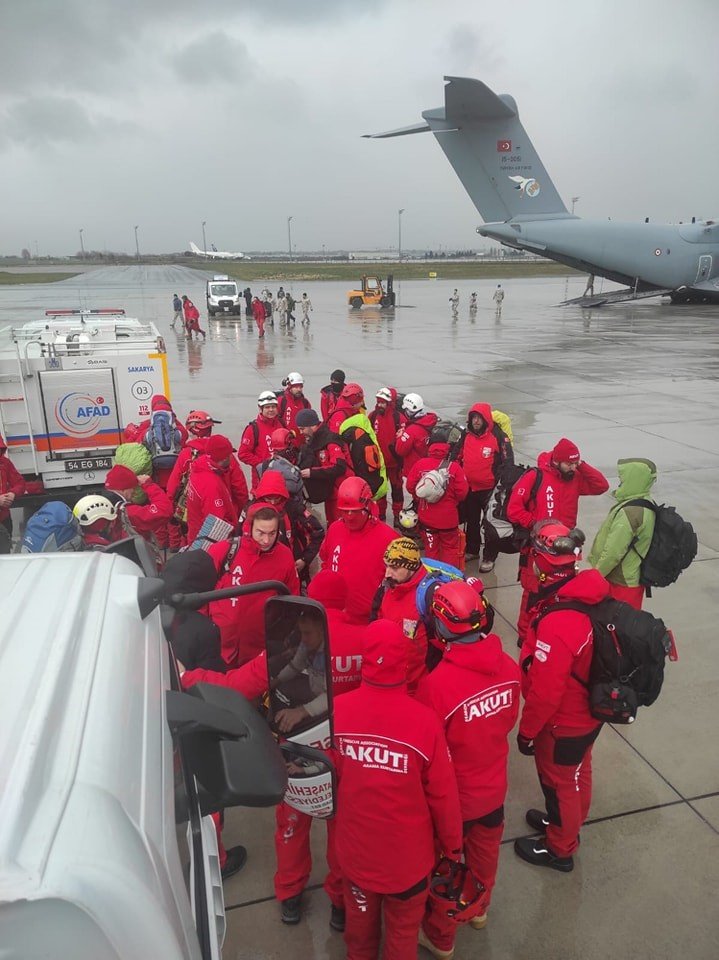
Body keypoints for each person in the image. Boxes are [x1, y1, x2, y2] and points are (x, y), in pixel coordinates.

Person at [332, 619, 463, 960]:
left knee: (359, 938)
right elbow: (444, 798)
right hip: (409, 864)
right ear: (405, 662)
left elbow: (324, 781)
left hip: (358, 856)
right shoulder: (425, 724)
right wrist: (452, 848)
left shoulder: (337, 715)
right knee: (403, 938)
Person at [417, 580, 520, 952]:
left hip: (454, 801)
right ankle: (479, 910)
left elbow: (430, 752)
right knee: (485, 856)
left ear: (441, 625)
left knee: (446, 869)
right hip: (493, 790)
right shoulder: (508, 667)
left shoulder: (438, 685)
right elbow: (508, 721)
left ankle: (441, 938)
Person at [515, 521, 608, 872]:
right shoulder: (587, 593)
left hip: (563, 721)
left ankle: (560, 848)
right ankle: (567, 826)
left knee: (559, 785)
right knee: (578, 772)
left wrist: (527, 732)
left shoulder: (560, 622)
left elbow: (545, 692)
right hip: (588, 712)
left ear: (540, 561)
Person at [273, 574, 361, 929]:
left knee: (293, 822)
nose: (304, 637)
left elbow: (331, 696)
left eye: (308, 633)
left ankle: (296, 892)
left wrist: (299, 711)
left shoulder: (328, 635)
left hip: (316, 739)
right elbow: (296, 664)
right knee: (342, 828)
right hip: (340, 746)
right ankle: (335, 899)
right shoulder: (330, 635)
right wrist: (275, 680)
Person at [507, 438, 608, 646]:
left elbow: (601, 485)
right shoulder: (536, 476)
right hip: (539, 547)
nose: (572, 467)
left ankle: (549, 629)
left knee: (562, 590)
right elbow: (514, 509)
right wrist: (536, 526)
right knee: (532, 591)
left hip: (566, 548)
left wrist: (581, 464)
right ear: (556, 461)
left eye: (575, 464)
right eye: (569, 463)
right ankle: (525, 634)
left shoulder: (576, 477)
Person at [207, 503, 300, 666]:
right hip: (217, 646)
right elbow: (201, 590)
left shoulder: (285, 556)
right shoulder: (224, 551)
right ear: (249, 528)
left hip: (257, 649)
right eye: (261, 533)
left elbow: (293, 600)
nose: (266, 540)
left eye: (272, 533)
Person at [318, 477, 396, 623]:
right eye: (344, 511)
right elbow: (325, 561)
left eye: (355, 511)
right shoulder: (335, 529)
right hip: (336, 618)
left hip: (369, 622)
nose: (349, 517)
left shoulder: (389, 538)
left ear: (367, 506)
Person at [588, 458, 657, 609]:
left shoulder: (631, 512)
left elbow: (613, 552)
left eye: (622, 479)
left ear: (634, 479)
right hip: (631, 579)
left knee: (617, 627)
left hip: (621, 582)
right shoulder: (644, 502)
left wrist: (594, 577)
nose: (620, 482)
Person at [457, 402, 514, 571]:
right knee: (471, 521)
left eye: (479, 418)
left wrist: (502, 486)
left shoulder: (499, 437)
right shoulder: (465, 435)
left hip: (491, 490)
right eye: (473, 418)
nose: (475, 421)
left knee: (490, 524)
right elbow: (455, 455)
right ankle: (473, 550)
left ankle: (489, 556)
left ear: (486, 419)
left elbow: (508, 462)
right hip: (470, 489)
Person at [370, 537, 429, 693]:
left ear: (411, 568)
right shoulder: (386, 588)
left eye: (395, 568)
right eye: (387, 566)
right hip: (390, 681)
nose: (388, 573)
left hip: (418, 687)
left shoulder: (427, 597)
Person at [406, 427, 469, 569]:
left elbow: (410, 486)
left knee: (431, 549)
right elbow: (462, 493)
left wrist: (421, 498)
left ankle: (432, 579)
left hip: (426, 518)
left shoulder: (420, 465)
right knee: (450, 550)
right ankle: (448, 580)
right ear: (447, 447)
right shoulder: (454, 468)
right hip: (448, 520)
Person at [249, 468, 324, 587]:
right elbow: (237, 537)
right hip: (257, 570)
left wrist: (304, 559)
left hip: (290, 569)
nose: (273, 502)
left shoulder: (293, 509)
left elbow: (318, 532)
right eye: (268, 498)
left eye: (276, 498)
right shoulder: (251, 510)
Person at [296, 408, 351, 525]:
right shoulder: (315, 440)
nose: (301, 432)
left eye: (302, 429)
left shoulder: (330, 441)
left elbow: (339, 467)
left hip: (341, 492)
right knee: (331, 524)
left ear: (312, 425)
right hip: (330, 492)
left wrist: (312, 473)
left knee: (340, 525)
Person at [185, 435, 240, 544]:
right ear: (224, 458)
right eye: (230, 454)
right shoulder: (211, 485)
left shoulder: (200, 467)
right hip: (206, 543)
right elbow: (216, 524)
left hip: (195, 533)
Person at [104, 465, 173, 544]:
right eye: (132, 488)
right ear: (123, 489)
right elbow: (164, 510)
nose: (134, 492)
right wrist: (148, 485)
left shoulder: (99, 505)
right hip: (130, 554)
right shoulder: (128, 512)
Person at [369, 387, 405, 526]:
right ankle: (380, 513)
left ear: (390, 403)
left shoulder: (398, 418)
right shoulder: (372, 417)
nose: (380, 405)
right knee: (380, 491)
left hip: (394, 463)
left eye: (383, 402)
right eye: (378, 402)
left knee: (397, 491)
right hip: (379, 463)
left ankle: (397, 516)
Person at [238, 391, 283, 487]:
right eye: (267, 407)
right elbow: (243, 454)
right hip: (262, 479)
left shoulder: (281, 424)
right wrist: (262, 463)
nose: (271, 410)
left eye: (273, 407)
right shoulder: (253, 429)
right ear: (260, 408)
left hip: (281, 477)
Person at [395, 393, 438, 479]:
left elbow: (400, 450)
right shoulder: (432, 421)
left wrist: (400, 436)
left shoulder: (411, 430)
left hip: (416, 471)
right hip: (433, 470)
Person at [0, 434, 25, 540]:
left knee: (5, 553)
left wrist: (13, 493)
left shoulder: (5, 462)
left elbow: (20, 483)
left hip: (4, 519)